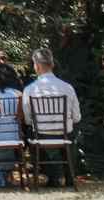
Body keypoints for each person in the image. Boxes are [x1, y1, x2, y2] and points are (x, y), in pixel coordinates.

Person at [22, 47, 81, 186]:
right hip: (65, 134)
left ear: (36, 66)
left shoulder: (29, 89)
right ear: (52, 64)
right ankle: (69, 175)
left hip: (41, 134)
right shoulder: (67, 87)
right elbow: (77, 117)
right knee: (72, 132)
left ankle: (51, 175)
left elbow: (28, 120)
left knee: (30, 133)